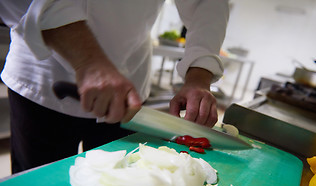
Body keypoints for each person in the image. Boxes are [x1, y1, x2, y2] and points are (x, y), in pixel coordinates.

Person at [0, 0, 229, 174]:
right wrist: (88, 61)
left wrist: (199, 73)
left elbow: (206, 4)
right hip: (43, 77)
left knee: (118, 182)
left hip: (129, 92)